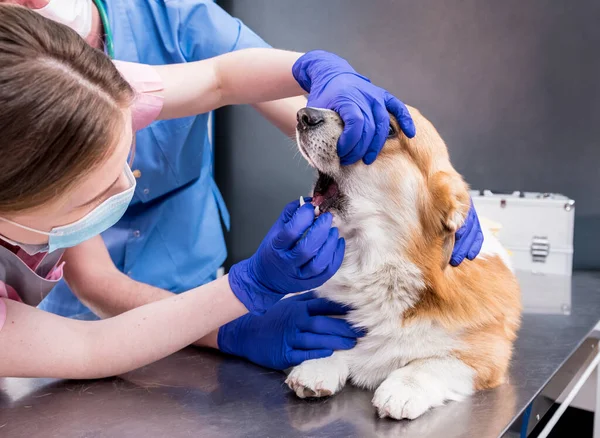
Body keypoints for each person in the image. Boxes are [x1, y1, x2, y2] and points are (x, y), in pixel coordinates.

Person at [0, 3, 482, 376]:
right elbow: (91, 345)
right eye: (96, 193)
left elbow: (218, 78)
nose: (127, 185)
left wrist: (323, 73)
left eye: (126, 158)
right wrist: (243, 301)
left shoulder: (86, 85)